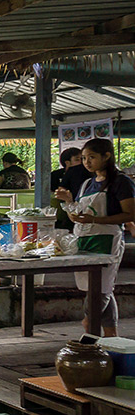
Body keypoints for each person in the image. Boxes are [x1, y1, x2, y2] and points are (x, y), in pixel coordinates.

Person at [55, 137, 135, 337]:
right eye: (83, 158)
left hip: (107, 240)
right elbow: (80, 214)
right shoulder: (86, 184)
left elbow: (130, 214)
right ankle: (111, 336)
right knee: (97, 288)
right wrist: (69, 204)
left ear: (107, 156)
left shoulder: (121, 182)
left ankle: (90, 328)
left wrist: (96, 220)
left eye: (92, 157)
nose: (87, 162)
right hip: (85, 241)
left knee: (101, 290)